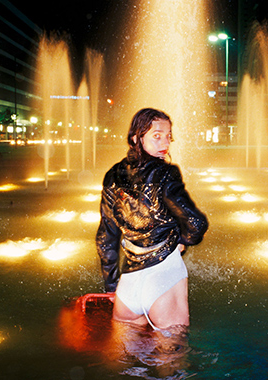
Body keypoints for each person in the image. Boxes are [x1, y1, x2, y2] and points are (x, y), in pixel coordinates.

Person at [96, 108, 208, 330]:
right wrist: (183, 241)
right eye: (157, 136)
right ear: (137, 137)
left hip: (127, 289)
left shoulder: (112, 175)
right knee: (172, 358)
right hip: (163, 279)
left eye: (168, 136)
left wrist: (111, 285)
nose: (164, 142)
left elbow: (106, 237)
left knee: (125, 361)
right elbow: (196, 223)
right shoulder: (165, 173)